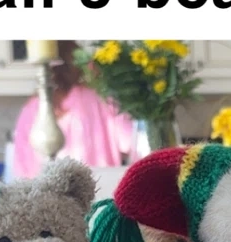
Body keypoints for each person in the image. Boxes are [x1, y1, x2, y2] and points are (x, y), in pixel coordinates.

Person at [10, 41, 136, 179]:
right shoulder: (103, 99)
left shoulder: (31, 108)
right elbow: (131, 142)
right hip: (100, 186)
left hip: (46, 189)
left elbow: (21, 169)